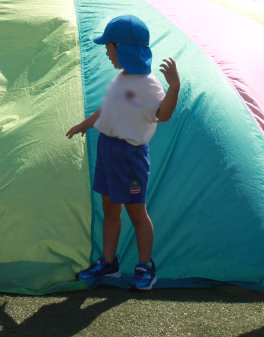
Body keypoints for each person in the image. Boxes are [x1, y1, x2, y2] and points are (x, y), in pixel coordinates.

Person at [67, 15, 180, 290]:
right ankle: (109, 263)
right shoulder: (121, 79)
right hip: (108, 150)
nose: (106, 52)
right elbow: (108, 107)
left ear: (123, 47)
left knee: (136, 212)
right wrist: (87, 123)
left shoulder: (148, 84)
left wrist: (174, 87)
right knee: (110, 208)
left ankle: (145, 266)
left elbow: (162, 115)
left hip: (130, 156)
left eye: (109, 46)